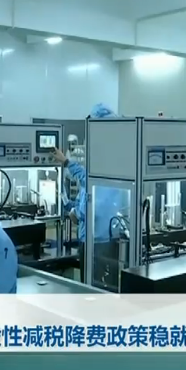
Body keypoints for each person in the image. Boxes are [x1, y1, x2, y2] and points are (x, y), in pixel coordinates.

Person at [51, 102, 125, 291]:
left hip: (98, 239)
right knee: (98, 286)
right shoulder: (109, 153)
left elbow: (98, 199)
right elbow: (88, 181)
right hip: (100, 236)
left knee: (95, 289)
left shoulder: (107, 156)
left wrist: (78, 213)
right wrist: (74, 205)